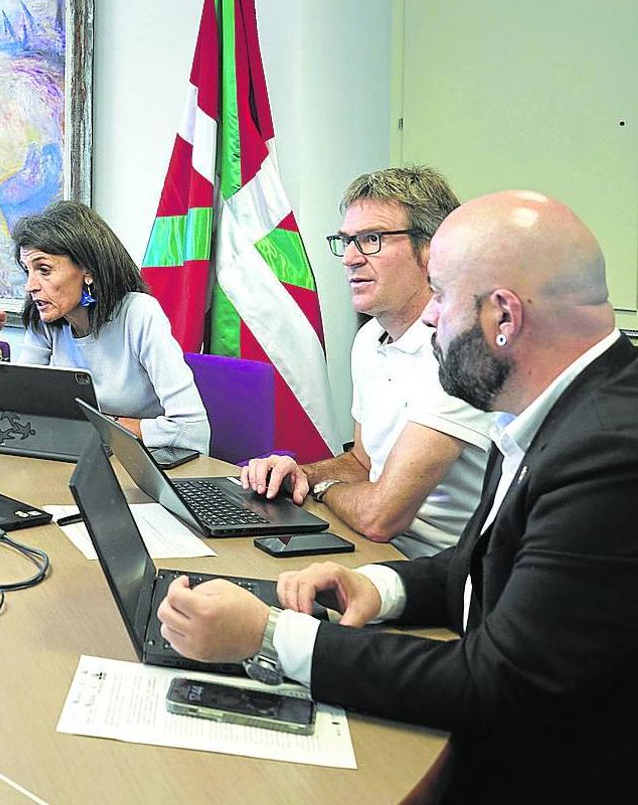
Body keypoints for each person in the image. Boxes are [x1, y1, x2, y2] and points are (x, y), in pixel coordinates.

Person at [157, 190, 638, 802]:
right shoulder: (557, 403)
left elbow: (495, 686)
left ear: (505, 318)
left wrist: (270, 637)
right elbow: (481, 565)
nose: (431, 318)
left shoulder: (610, 454)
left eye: (441, 296)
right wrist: (381, 587)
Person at [241, 166, 495, 557]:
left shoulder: (458, 349)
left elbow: (381, 516)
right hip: (371, 546)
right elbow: (363, 462)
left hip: (440, 572)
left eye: (371, 239)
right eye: (346, 242)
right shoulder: (368, 339)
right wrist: (302, 474)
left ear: (431, 249)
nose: (350, 259)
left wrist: (323, 489)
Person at [0, 201, 209, 455]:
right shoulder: (45, 318)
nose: (30, 286)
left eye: (44, 270)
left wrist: (107, 427)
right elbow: (18, 408)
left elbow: (192, 428)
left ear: (87, 270)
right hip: (80, 456)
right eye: (28, 271)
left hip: (141, 463)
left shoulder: (139, 314)